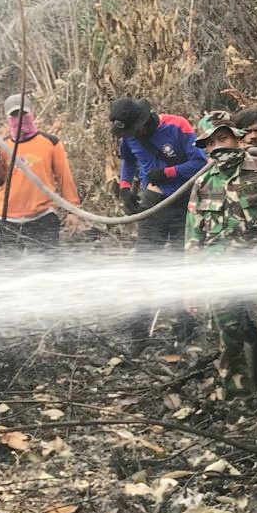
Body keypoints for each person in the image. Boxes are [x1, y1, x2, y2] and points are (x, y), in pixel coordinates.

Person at [184, 111, 257, 397]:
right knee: (229, 339)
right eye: (210, 144)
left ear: (237, 138)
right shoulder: (202, 184)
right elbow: (193, 236)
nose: (218, 147)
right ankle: (239, 397)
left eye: (222, 138)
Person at [111, 96, 207, 349]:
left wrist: (168, 173)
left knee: (180, 265)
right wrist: (124, 188)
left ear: (145, 120)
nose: (134, 135)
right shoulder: (129, 137)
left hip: (182, 204)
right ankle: (139, 333)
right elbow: (128, 160)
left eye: (136, 130)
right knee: (145, 266)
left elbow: (200, 162)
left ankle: (184, 330)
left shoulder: (178, 127)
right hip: (151, 205)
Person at [0, 94, 80, 252]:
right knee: (8, 272)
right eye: (14, 115)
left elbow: (65, 178)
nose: (19, 119)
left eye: (23, 114)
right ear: (7, 118)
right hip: (6, 219)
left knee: (47, 270)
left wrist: (72, 211)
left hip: (42, 217)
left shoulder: (51, 143)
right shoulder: (1, 145)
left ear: (32, 114)